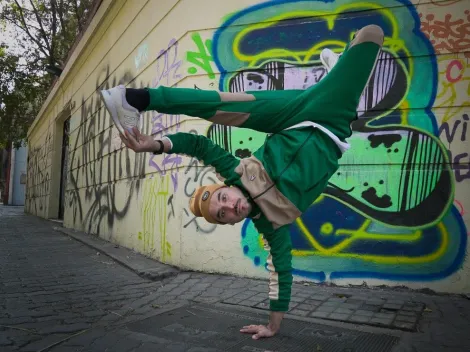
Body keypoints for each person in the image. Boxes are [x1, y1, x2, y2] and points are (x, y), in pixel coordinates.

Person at [100, 24, 384, 340]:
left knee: (218, 105)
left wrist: (152, 145)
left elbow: (198, 145)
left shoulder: (235, 172)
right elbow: (281, 273)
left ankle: (133, 99)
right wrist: (273, 326)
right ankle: (335, 75)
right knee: (373, 35)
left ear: (227, 186)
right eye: (223, 213)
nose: (229, 206)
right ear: (230, 221)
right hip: (333, 124)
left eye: (222, 198)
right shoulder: (272, 226)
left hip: (294, 115)